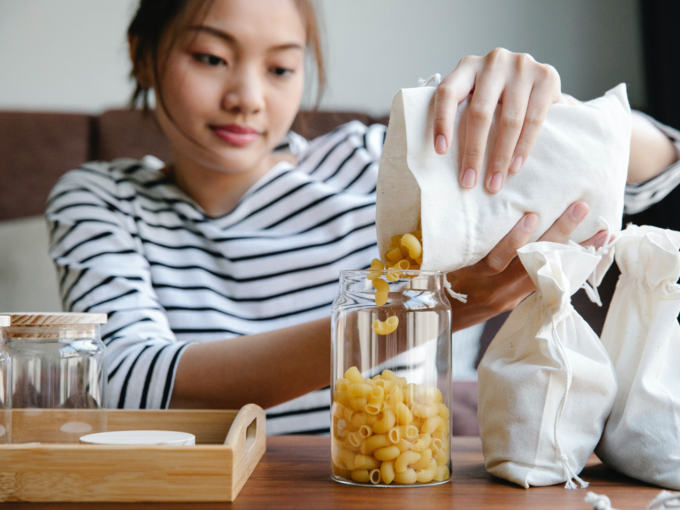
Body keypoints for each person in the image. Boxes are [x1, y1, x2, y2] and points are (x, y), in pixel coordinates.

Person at [45, 0, 677, 435]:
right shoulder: (101, 198)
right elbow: (120, 380)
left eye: (281, 68)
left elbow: (655, 171)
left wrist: (561, 115)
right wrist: (416, 320)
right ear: (144, 55)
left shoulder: (379, 164)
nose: (247, 97)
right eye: (211, 58)